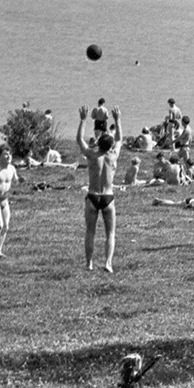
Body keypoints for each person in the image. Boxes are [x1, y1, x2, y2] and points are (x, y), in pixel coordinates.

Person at [77, 104, 122, 272]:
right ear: (109, 145)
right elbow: (119, 139)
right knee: (110, 233)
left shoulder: (92, 154)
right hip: (108, 197)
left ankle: (89, 263)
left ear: (98, 143)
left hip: (93, 196)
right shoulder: (113, 155)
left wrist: (82, 120)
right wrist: (118, 120)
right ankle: (108, 263)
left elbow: (79, 141)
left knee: (90, 232)